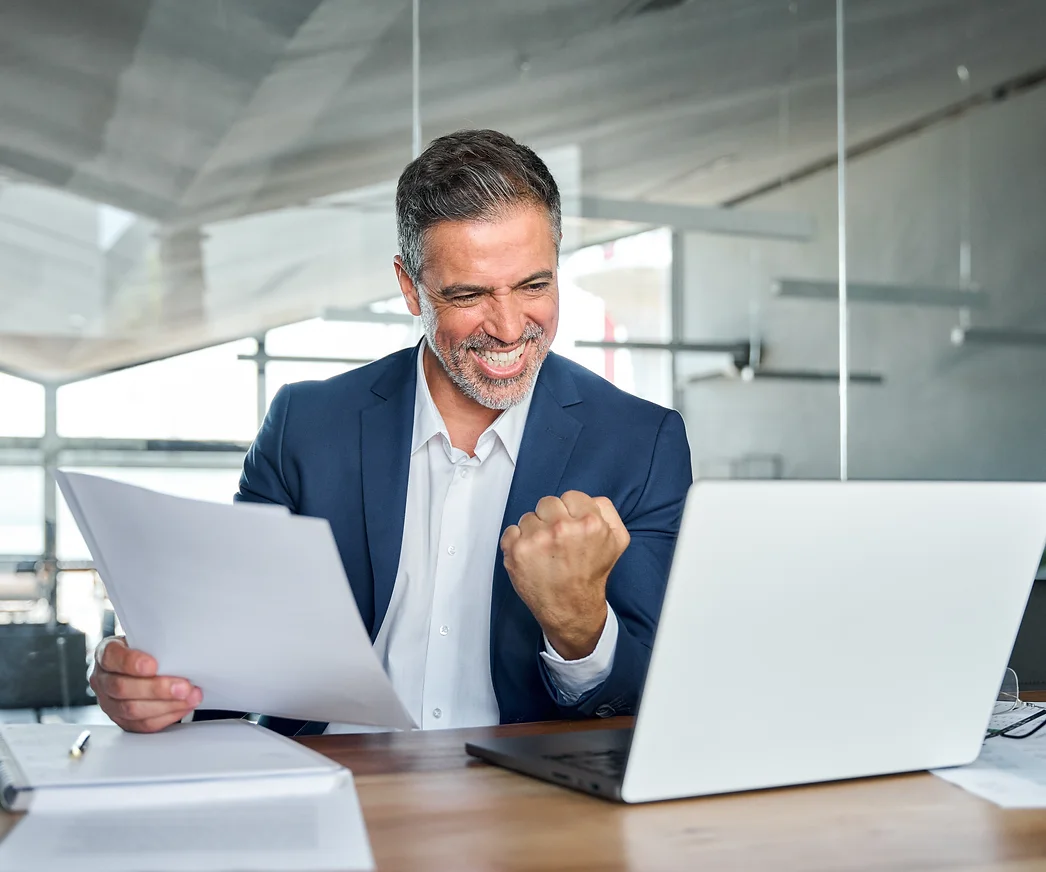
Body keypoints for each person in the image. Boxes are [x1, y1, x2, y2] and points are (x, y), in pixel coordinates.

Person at [89, 129, 692, 734]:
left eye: (534, 285)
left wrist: (580, 627)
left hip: (528, 804)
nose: (510, 327)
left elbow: (650, 697)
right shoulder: (306, 426)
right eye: (469, 294)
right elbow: (224, 661)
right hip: (334, 785)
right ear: (410, 287)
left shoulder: (641, 443)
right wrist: (153, 686)